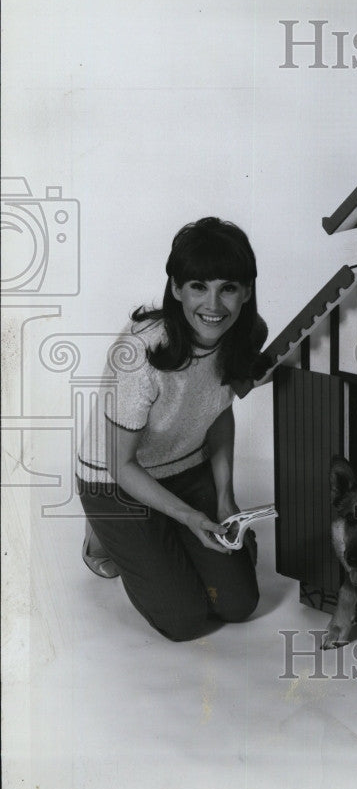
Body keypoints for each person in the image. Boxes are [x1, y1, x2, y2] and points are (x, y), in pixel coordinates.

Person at [76, 217, 269, 641]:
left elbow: (219, 411)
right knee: (184, 621)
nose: (214, 304)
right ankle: (105, 533)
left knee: (238, 604)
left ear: (246, 291)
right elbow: (121, 465)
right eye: (199, 286)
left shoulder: (247, 333)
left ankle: (161, 532)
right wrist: (187, 516)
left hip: (185, 465)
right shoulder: (141, 352)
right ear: (177, 288)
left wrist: (224, 498)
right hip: (116, 479)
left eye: (228, 288)